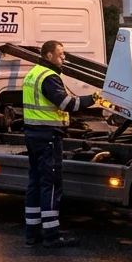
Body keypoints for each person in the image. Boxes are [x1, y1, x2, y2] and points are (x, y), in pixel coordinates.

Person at [22, 40, 97, 248]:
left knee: (35, 182)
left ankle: (32, 233)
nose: (63, 57)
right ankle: (52, 235)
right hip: (48, 136)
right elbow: (67, 104)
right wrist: (94, 98)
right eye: (60, 54)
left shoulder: (33, 74)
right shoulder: (49, 77)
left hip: (33, 134)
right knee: (51, 184)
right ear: (48, 55)